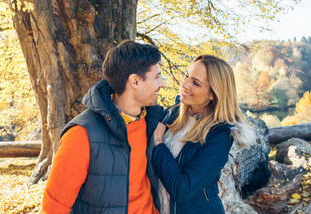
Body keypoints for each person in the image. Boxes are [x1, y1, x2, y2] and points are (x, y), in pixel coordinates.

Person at [41, 40, 165, 214]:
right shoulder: (81, 134)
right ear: (135, 81)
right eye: (157, 77)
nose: (162, 84)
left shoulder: (152, 123)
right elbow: (54, 208)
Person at [152, 55, 263, 214]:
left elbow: (182, 189)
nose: (185, 84)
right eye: (186, 76)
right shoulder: (174, 113)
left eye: (196, 83)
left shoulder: (220, 135)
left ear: (213, 94)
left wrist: (158, 144)